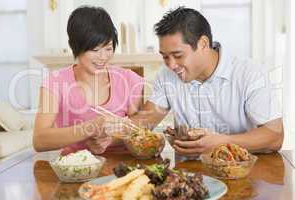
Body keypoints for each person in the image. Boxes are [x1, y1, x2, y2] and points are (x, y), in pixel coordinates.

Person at [125, 7, 283, 159]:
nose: (171, 65)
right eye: (165, 57)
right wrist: (110, 129)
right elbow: (146, 121)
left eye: (178, 55)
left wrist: (222, 142)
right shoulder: (166, 76)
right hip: (188, 174)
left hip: (241, 173)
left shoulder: (249, 73)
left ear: (203, 44)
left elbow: (275, 136)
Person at [33, 6, 144, 155]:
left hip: (123, 166)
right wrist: (92, 126)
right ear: (76, 46)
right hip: (74, 168)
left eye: (108, 48)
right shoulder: (55, 83)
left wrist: (108, 140)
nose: (103, 57)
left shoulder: (129, 80)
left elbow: (139, 132)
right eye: (95, 50)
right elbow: (40, 141)